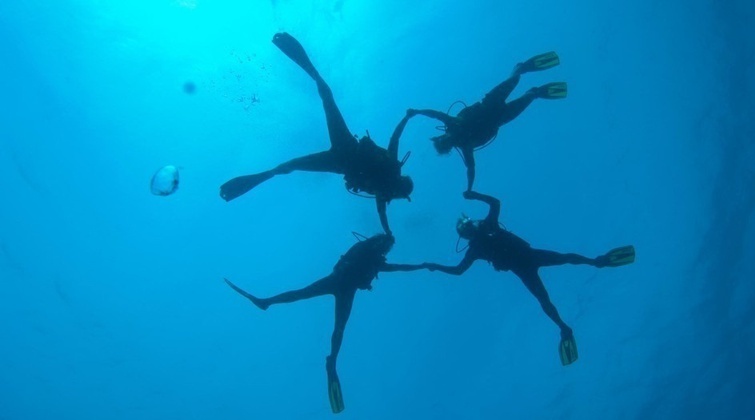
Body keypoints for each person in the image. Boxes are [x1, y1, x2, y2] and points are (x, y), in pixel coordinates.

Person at [219, 33, 414, 234]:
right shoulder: (389, 173)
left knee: (325, 103)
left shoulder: (385, 186)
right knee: (296, 157)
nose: (396, 193)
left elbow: (394, 140)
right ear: (401, 187)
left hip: (341, 156)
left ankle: (258, 177)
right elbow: (395, 139)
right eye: (400, 192)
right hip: (342, 156)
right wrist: (407, 118)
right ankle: (305, 65)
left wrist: (408, 118)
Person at [422, 191, 635, 365]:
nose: (470, 229)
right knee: (551, 284)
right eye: (467, 228)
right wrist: (436, 266)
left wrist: (436, 267)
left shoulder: (484, 233)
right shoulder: (478, 243)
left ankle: (596, 264)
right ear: (466, 233)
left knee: (562, 264)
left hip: (525, 262)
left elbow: (495, 204)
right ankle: (565, 325)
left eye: (468, 225)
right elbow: (459, 270)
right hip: (525, 264)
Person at [224, 233, 427, 414]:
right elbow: (393, 264)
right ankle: (266, 302)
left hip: (344, 288)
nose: (386, 248)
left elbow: (399, 267)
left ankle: (332, 361)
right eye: (385, 244)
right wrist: (424, 265)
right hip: (339, 283)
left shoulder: (374, 259)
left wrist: (424, 265)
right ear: (377, 241)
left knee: (336, 325)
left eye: (387, 247)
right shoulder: (366, 250)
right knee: (304, 296)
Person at [408, 51, 567, 191]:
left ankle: (520, 67)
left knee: (515, 78)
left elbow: (436, 114)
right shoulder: (465, 145)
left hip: (491, 102)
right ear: (450, 148)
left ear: (440, 136)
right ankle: (535, 91)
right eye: (446, 145)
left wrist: (417, 112)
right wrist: (469, 188)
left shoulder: (452, 124)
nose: (447, 140)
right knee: (531, 95)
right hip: (501, 118)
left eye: (442, 140)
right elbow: (470, 168)